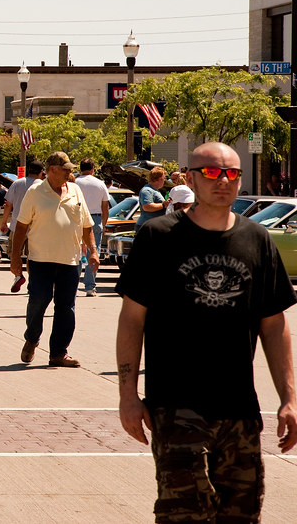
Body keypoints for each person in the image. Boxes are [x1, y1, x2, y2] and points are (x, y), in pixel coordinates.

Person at [116, 142, 297, 522]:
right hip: (176, 406)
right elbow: (132, 319)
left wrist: (289, 398)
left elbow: (274, 324)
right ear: (191, 179)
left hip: (240, 410)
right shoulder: (159, 237)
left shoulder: (258, 240)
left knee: (242, 514)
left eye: (232, 173)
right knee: (184, 513)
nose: (224, 182)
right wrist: (128, 396)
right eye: (213, 173)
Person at [10, 152, 99, 368]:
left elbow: (86, 225)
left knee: (66, 308)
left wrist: (93, 251)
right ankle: (32, 338)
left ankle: (58, 353)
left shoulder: (75, 190)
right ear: (52, 170)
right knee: (39, 300)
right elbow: (21, 227)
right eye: (66, 168)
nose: (70, 172)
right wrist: (15, 259)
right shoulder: (35, 191)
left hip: (70, 260)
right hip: (41, 259)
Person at [74, 158, 111, 298]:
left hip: (76, 217)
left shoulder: (74, 183)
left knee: (76, 252)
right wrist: (104, 223)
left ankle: (73, 283)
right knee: (93, 253)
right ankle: (90, 287)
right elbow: (105, 207)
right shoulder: (100, 184)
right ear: (93, 169)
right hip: (95, 218)